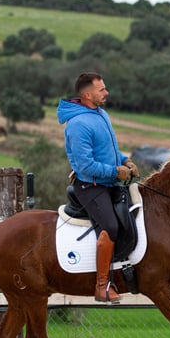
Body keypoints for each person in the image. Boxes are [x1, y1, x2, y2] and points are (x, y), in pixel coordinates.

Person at [57, 72, 139, 304]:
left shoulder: (101, 114)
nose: (106, 92)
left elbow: (109, 150)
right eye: (102, 89)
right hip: (89, 186)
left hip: (109, 182)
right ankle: (102, 286)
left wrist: (125, 161)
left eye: (105, 88)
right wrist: (115, 172)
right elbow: (85, 165)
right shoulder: (78, 124)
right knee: (111, 226)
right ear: (87, 94)